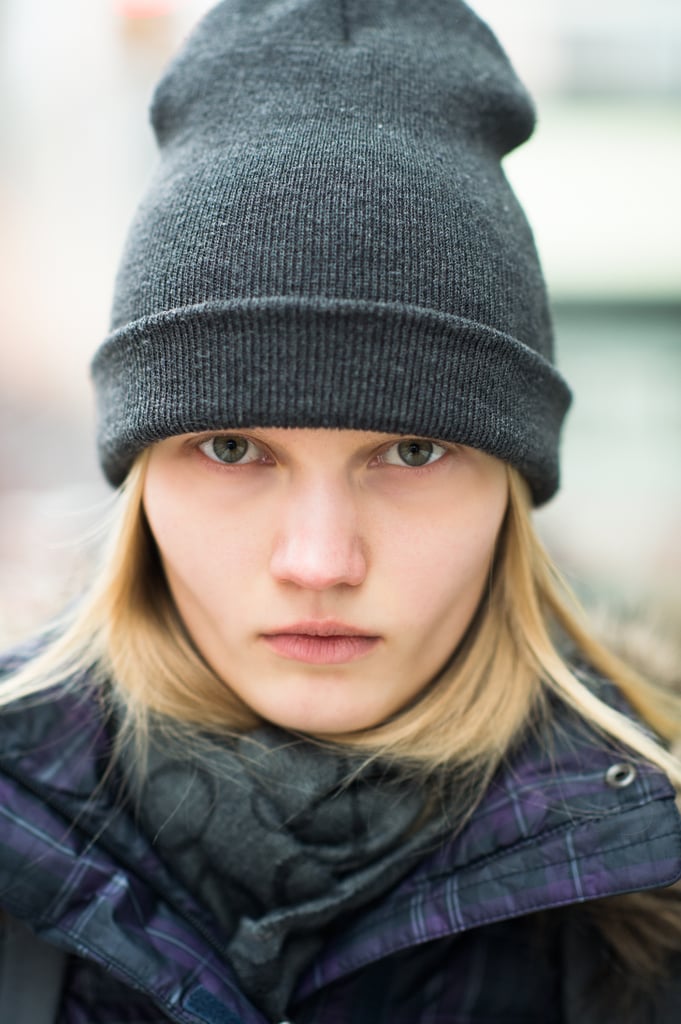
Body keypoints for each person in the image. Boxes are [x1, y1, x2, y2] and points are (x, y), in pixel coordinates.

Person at [1, 1, 680, 1021]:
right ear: (141, 478)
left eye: (412, 450)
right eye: (233, 448)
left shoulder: (653, 909)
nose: (320, 560)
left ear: (511, 483)